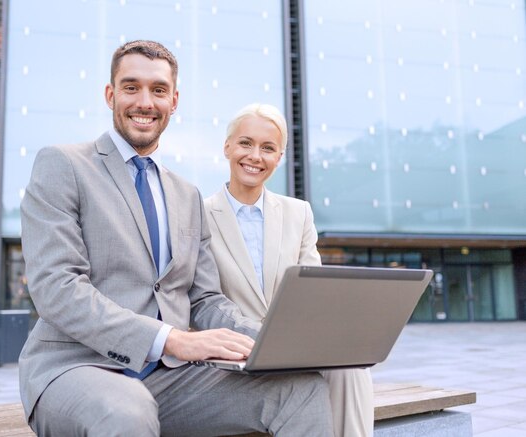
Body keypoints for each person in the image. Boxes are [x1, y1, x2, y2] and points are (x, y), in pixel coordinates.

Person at [18, 40, 335, 437]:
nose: (145, 101)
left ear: (174, 100)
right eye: (131, 87)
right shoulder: (63, 165)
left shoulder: (186, 195)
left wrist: (278, 340)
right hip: (77, 366)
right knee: (127, 412)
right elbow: (57, 288)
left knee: (300, 389)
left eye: (159, 90)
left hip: (170, 380)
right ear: (110, 94)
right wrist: (171, 339)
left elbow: (204, 299)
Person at [204, 103, 375, 437]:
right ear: (227, 147)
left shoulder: (299, 213)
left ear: (279, 157)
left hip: (294, 347)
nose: (255, 156)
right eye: (245, 143)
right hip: (234, 354)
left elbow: (314, 295)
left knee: (351, 367)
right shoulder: (197, 214)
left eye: (268, 148)